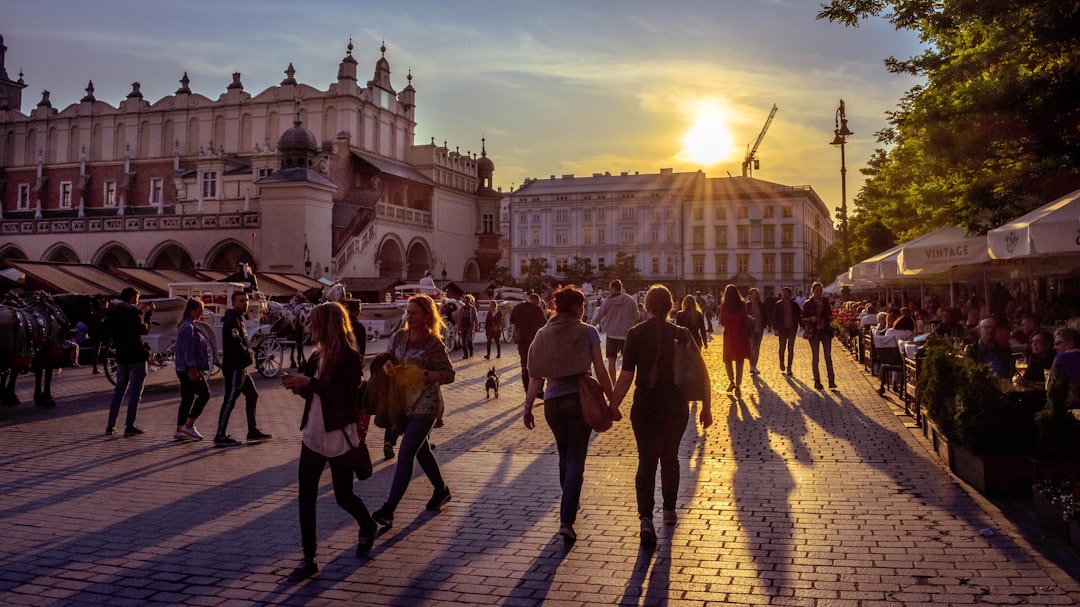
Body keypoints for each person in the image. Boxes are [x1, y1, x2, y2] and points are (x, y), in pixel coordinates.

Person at [610, 285, 712, 545]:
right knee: (670, 459)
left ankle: (645, 518)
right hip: (675, 407)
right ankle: (669, 509)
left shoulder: (635, 334)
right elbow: (702, 371)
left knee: (646, 462)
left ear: (647, 306)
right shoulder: (681, 333)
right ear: (670, 306)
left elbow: (626, 376)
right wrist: (707, 407)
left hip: (644, 406)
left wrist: (612, 405)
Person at [281, 302, 375, 582]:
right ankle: (309, 559)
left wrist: (308, 383)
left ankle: (367, 524)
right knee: (306, 497)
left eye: (314, 323)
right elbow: (315, 394)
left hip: (339, 435)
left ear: (327, 325)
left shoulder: (350, 357)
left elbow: (341, 395)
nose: (310, 328)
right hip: (313, 433)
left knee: (343, 495)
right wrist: (299, 386)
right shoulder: (316, 356)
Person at [523, 285, 614, 543]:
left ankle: (567, 504)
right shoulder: (587, 331)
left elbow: (535, 376)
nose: (583, 310)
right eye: (582, 306)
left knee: (564, 455)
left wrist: (528, 406)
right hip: (579, 399)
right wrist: (611, 400)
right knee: (576, 458)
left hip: (552, 402)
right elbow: (600, 369)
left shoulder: (542, 334)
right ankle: (567, 519)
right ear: (575, 307)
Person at [371, 294, 456, 529]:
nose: (409, 316)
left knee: (406, 452)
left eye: (414, 313)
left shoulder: (432, 343)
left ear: (427, 316)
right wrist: (387, 364)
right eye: (407, 312)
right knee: (422, 451)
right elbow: (385, 356)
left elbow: (449, 374)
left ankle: (388, 510)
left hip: (425, 404)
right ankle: (441, 490)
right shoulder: (399, 336)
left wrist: (423, 374)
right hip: (401, 402)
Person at [215, 290, 272, 446]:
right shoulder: (231, 320)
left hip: (241, 367)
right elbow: (235, 343)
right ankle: (220, 435)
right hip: (234, 367)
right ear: (233, 303)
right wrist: (249, 352)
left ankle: (252, 431)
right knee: (230, 400)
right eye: (241, 301)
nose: (245, 303)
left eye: (246, 300)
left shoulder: (240, 319)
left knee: (252, 395)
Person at [104, 287, 153, 436]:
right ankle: (129, 425)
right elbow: (143, 330)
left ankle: (111, 424)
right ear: (131, 298)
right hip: (136, 357)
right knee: (135, 393)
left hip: (121, 358)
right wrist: (148, 314)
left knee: (119, 392)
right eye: (136, 298)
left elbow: (109, 331)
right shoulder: (132, 312)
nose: (137, 301)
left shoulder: (114, 312)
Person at [174, 298, 211, 440]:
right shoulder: (188, 327)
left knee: (187, 398)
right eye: (199, 310)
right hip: (189, 368)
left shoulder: (187, 325)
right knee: (204, 394)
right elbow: (188, 350)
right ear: (192, 310)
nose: (201, 313)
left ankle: (179, 429)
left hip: (182, 367)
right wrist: (193, 369)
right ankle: (189, 426)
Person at [590, 279, 640, 380]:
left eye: (610, 288)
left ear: (613, 288)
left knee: (612, 361)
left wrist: (590, 326)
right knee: (626, 362)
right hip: (626, 334)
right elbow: (637, 316)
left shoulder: (607, 301)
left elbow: (599, 315)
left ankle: (613, 383)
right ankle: (623, 381)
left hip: (612, 334)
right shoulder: (631, 300)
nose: (609, 291)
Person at [801, 281, 836, 391]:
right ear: (813, 291)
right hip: (814, 332)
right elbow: (802, 318)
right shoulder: (808, 303)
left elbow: (830, 314)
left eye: (820, 291)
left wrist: (830, 317)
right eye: (817, 291)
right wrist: (811, 319)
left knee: (828, 357)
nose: (819, 293)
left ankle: (831, 381)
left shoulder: (825, 302)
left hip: (825, 331)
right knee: (815, 358)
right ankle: (817, 381)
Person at [509, 292, 548, 392]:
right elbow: (544, 325)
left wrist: (514, 336)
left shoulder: (518, 307)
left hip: (521, 340)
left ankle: (527, 390)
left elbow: (512, 323)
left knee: (524, 365)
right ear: (538, 302)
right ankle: (539, 389)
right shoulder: (537, 309)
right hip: (535, 341)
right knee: (538, 365)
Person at [719, 284, 751, 396]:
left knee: (727, 359)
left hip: (729, 335)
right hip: (741, 334)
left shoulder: (724, 306)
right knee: (739, 360)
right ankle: (738, 385)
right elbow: (745, 318)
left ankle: (731, 380)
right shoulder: (742, 305)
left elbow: (722, 321)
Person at [771, 287, 801, 376]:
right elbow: (774, 317)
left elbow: (799, 316)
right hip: (782, 329)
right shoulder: (778, 304)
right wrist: (775, 328)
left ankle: (789, 367)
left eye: (786, 293)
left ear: (789, 294)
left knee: (790, 348)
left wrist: (803, 325)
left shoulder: (794, 305)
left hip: (792, 329)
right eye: (783, 293)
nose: (784, 294)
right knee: (782, 347)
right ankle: (781, 362)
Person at [745, 288, 766, 375]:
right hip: (751, 329)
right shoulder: (747, 305)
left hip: (759, 329)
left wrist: (767, 325)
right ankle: (751, 365)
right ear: (750, 295)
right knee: (751, 347)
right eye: (754, 293)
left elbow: (765, 315)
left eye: (756, 293)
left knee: (757, 348)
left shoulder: (761, 305)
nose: (755, 295)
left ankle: (755, 366)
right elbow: (745, 317)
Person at [457, 294, 479, 360]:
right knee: (463, 342)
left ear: (469, 300)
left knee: (469, 340)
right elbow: (459, 318)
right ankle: (465, 354)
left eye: (467, 299)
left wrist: (477, 325)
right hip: (463, 326)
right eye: (465, 299)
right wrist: (458, 326)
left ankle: (471, 350)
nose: (466, 301)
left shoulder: (472, 308)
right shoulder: (462, 309)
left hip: (469, 326)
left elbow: (475, 317)